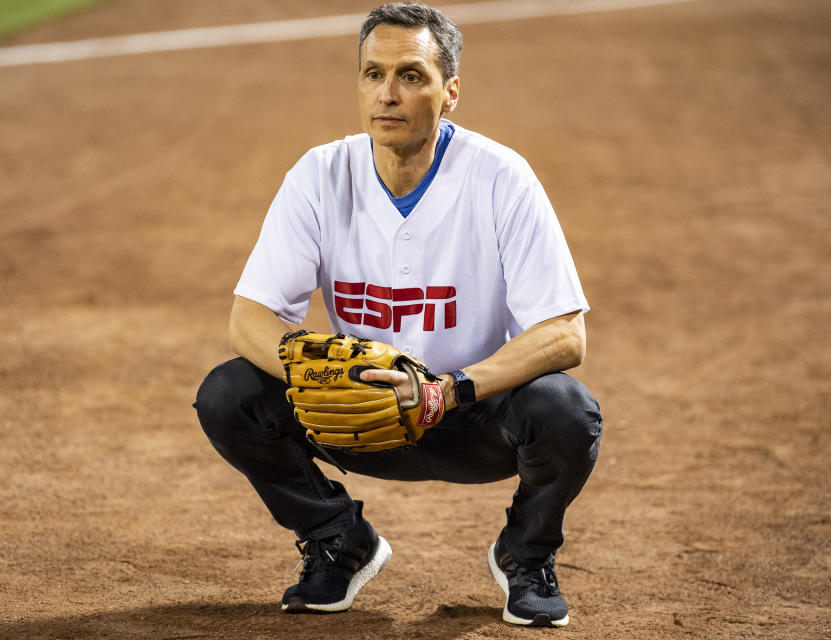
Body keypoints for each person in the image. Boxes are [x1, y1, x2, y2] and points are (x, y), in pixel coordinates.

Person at [194, 1, 602, 628]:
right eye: (372, 74)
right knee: (228, 393)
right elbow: (249, 318)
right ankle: (337, 538)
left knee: (566, 411)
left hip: (472, 418)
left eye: (411, 75)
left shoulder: (501, 179)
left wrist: (446, 392)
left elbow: (564, 334)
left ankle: (526, 553)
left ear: (451, 91)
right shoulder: (320, 176)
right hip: (357, 416)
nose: (387, 94)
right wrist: (326, 366)